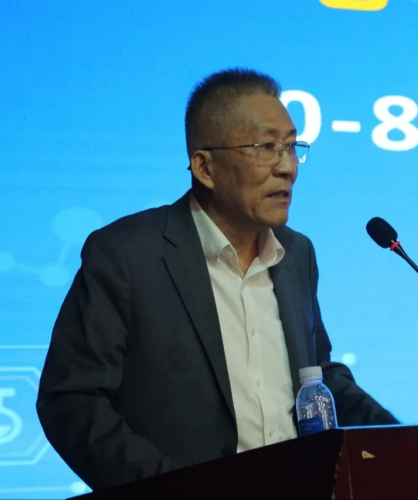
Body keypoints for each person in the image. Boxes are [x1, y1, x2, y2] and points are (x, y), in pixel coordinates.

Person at [36, 68, 399, 492]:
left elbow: (316, 377)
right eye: (267, 148)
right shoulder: (127, 255)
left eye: (291, 146)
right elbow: (72, 401)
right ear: (205, 167)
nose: (288, 168)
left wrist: (407, 446)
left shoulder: (297, 254)